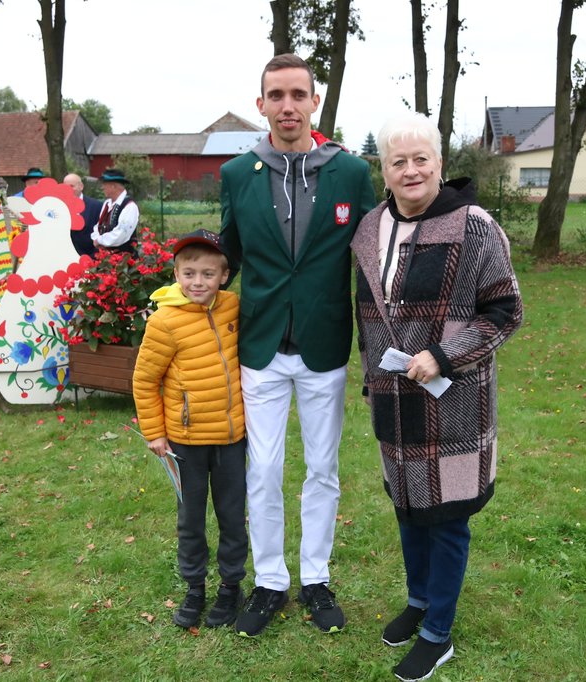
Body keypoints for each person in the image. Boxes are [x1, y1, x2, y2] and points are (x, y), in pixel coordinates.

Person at [350, 112, 523, 681]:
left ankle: (437, 633)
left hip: (454, 403)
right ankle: (419, 600)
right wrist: (371, 379)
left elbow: (505, 312)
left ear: (440, 164)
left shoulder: (474, 226)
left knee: (446, 518)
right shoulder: (370, 229)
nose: (411, 170)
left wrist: (444, 355)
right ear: (384, 171)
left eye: (420, 158)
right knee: (408, 508)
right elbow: (368, 315)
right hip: (394, 401)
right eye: (397, 161)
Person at [219, 53, 376, 638]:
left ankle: (315, 577)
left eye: (298, 95)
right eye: (276, 95)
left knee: (323, 468)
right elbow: (227, 257)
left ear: (315, 102)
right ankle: (269, 582)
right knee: (262, 470)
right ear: (261, 104)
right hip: (260, 345)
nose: (288, 106)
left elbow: (374, 258)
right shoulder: (237, 174)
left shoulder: (351, 173)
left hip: (323, 344)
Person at [132, 228, 248, 630]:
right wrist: (154, 432)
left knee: (232, 515)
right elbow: (145, 380)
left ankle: (231, 586)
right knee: (191, 519)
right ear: (176, 274)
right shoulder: (164, 322)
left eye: (208, 274)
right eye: (189, 273)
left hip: (231, 439)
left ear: (224, 276)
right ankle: (195, 586)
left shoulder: (233, 307)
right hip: (185, 442)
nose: (198, 282)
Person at [93, 168, 139, 253]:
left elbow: (121, 234)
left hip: (125, 258)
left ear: (113, 186)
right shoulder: (107, 203)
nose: (102, 187)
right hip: (106, 256)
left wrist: (100, 240)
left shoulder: (129, 206)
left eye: (104, 184)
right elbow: (98, 225)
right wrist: (96, 238)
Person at [63, 173, 101, 257]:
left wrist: (93, 257)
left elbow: (101, 232)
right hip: (64, 257)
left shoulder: (96, 206)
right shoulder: (59, 206)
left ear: (81, 186)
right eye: (66, 187)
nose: (68, 190)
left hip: (89, 257)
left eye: (72, 186)